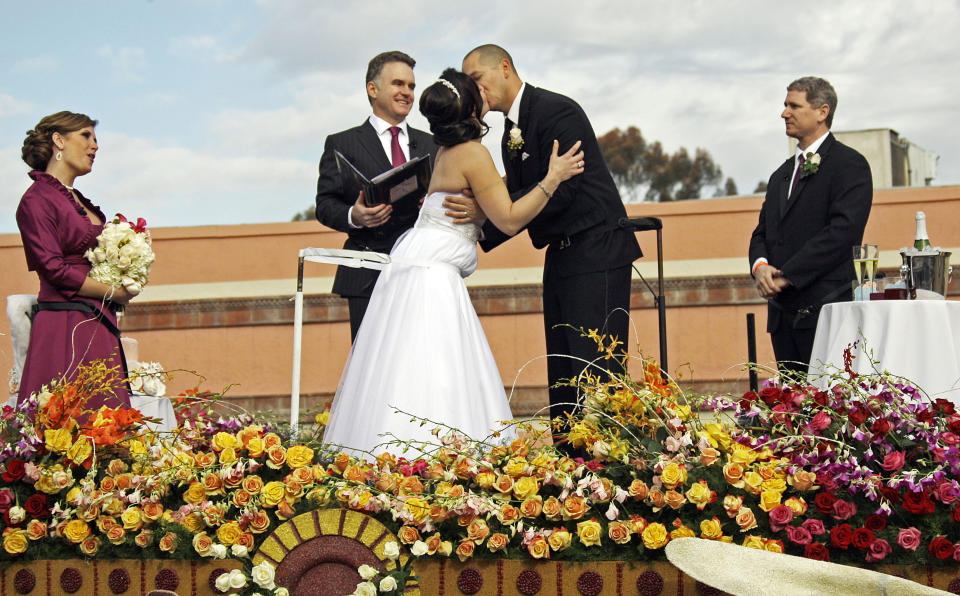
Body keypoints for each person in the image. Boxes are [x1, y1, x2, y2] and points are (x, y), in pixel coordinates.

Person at [322, 69, 586, 457]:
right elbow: (509, 218)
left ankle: (391, 456)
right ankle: (428, 457)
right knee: (436, 370)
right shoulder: (472, 154)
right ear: (472, 110)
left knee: (404, 369)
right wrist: (552, 177)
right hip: (431, 276)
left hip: (413, 263)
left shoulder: (445, 152)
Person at [461, 45, 642, 443]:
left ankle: (609, 466)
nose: (475, 90)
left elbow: (563, 190)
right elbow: (526, 191)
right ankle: (571, 467)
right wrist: (488, 216)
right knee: (563, 367)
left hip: (597, 249)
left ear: (504, 68)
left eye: (477, 78)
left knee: (597, 366)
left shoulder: (557, 111)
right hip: (560, 253)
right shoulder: (512, 129)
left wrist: (490, 224)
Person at [315, 50, 478, 341]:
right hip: (368, 273)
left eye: (412, 86)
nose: (407, 92)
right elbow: (325, 204)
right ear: (372, 89)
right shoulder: (342, 143)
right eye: (399, 84)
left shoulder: (435, 144)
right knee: (371, 370)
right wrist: (356, 216)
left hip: (422, 272)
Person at [748, 77, 872, 375]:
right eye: (784, 106)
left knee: (828, 410)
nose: (784, 113)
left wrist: (788, 275)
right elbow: (762, 232)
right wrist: (761, 267)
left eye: (794, 106)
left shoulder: (848, 165)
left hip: (826, 309)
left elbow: (843, 232)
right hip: (781, 314)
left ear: (822, 111)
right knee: (793, 408)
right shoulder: (780, 175)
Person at [16, 111, 136, 410]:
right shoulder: (37, 200)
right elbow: (53, 269)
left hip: (97, 318)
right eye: (86, 136)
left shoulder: (77, 199)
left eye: (96, 138)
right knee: (70, 423)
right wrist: (114, 292)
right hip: (65, 322)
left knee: (107, 423)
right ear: (59, 139)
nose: (95, 145)